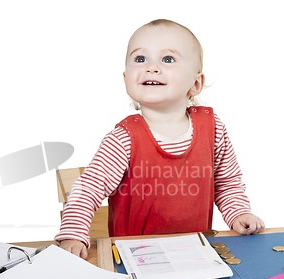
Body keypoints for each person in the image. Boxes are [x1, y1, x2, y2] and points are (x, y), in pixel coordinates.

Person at [55, 19, 264, 259]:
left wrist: (238, 213)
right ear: (126, 79)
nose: (151, 68)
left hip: (197, 254)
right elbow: (88, 189)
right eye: (140, 59)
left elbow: (226, 183)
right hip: (135, 259)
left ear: (196, 83)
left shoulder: (213, 129)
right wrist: (73, 233)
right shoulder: (123, 139)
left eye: (167, 59)